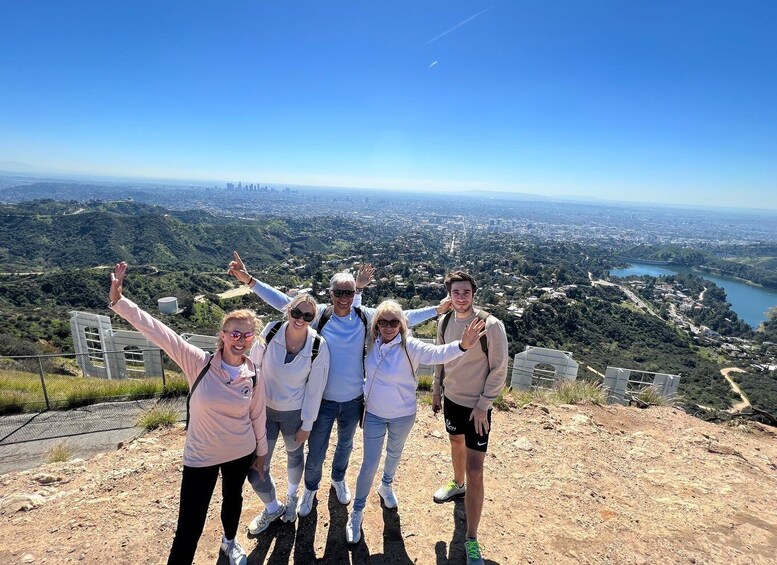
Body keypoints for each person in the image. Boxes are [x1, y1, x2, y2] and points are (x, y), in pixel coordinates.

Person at [228, 251, 450, 518]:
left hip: (353, 399)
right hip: (321, 398)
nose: (344, 298)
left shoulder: (364, 316)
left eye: (348, 292)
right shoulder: (319, 314)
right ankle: (310, 489)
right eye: (339, 292)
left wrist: (436, 310)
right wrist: (250, 281)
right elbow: (285, 303)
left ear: (354, 293)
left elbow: (401, 317)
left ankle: (337, 479)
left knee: (345, 445)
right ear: (330, 293)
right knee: (316, 448)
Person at [108, 262, 266, 565]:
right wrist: (120, 302)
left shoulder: (254, 372)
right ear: (222, 335)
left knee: (233, 500)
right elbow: (161, 333)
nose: (241, 339)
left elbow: (257, 415)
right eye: (235, 333)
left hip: (241, 451)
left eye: (247, 336)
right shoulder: (199, 363)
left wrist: (261, 453)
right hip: (201, 455)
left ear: (253, 339)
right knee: (189, 526)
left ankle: (229, 543)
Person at [346, 300, 486, 544]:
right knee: (369, 463)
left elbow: (436, 354)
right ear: (376, 324)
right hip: (375, 414)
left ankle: (386, 485)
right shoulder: (370, 343)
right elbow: (354, 310)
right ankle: (357, 511)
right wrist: (357, 290)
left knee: (394, 453)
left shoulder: (409, 345)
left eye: (394, 322)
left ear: (401, 324)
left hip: (403, 414)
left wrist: (462, 346)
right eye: (383, 321)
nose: (388, 326)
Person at [431, 271, 508, 565]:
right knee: (454, 441)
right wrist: (437, 390)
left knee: (477, 469)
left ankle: (471, 538)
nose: (460, 297)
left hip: (477, 406)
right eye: (455, 292)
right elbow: (441, 357)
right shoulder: (445, 321)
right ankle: (456, 483)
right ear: (449, 296)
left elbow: (499, 368)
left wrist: (484, 405)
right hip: (452, 398)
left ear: (474, 294)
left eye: (465, 292)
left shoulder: (490, 325)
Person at [246, 293, 330, 534]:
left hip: (295, 413)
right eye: (296, 313)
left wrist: (308, 423)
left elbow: (316, 387)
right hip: (265, 411)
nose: (300, 319)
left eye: (307, 315)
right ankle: (272, 507)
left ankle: (291, 498)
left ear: (313, 318)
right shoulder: (271, 332)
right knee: (257, 467)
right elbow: (253, 368)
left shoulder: (317, 345)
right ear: (288, 311)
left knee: (295, 457)